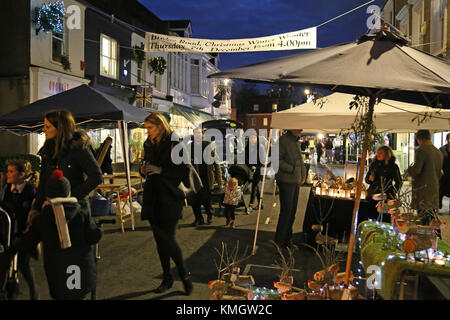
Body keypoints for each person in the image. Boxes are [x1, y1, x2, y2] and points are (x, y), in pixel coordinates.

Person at [2, 169, 102, 300]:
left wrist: (12, 247)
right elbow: (93, 236)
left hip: (58, 274)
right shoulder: (81, 213)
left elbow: (27, 241)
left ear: (48, 194)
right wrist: (98, 228)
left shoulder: (44, 218)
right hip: (81, 270)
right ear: (68, 191)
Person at [140, 112, 193, 295]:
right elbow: (147, 166)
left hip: (169, 197)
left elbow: (183, 171)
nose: (148, 132)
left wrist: (160, 169)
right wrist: (143, 169)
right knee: (159, 241)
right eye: (146, 128)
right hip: (152, 196)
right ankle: (167, 278)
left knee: (168, 238)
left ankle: (184, 276)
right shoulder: (148, 144)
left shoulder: (175, 143)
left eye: (150, 128)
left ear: (161, 126)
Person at [29, 110, 103, 223]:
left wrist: (71, 197)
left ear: (60, 128)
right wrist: (36, 208)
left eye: (47, 127)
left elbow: (96, 176)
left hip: (75, 213)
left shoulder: (78, 148)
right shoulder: (47, 151)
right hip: (51, 211)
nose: (44, 130)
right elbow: (43, 180)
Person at [1, 160, 38, 300]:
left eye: (11, 171)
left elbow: (33, 213)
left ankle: (34, 292)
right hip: (8, 233)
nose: (7, 174)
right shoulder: (7, 189)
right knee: (3, 261)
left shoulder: (30, 191)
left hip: (24, 233)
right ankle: (4, 291)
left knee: (24, 264)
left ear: (21, 175)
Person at [274, 129, 306, 250]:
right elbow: (277, 161)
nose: (301, 129)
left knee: (292, 212)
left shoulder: (296, 141)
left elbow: (300, 162)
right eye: (298, 127)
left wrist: (302, 174)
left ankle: (287, 240)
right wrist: (293, 169)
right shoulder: (283, 141)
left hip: (295, 181)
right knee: (286, 212)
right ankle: (278, 242)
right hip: (286, 181)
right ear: (291, 127)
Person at [407, 130, 443, 224]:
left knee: (424, 221)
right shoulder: (438, 151)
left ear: (419, 139)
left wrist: (410, 169)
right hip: (434, 189)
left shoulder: (421, 150)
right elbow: (439, 173)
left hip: (423, 191)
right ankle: (435, 237)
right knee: (432, 220)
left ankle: (424, 238)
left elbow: (417, 170)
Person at [189, 127, 223, 226]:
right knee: (194, 200)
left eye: (199, 133)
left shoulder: (208, 145)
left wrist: (219, 178)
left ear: (203, 134)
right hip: (194, 177)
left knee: (206, 200)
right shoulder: (190, 146)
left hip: (206, 177)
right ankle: (198, 218)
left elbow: (216, 163)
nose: (198, 135)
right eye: (196, 133)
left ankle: (209, 215)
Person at [245, 133, 266, 209]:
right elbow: (246, 158)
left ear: (257, 139)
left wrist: (256, 167)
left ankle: (251, 204)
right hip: (251, 169)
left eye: (254, 138)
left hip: (259, 169)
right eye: (251, 138)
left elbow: (263, 160)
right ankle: (261, 204)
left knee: (254, 186)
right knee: (256, 186)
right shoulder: (247, 147)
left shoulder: (260, 147)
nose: (252, 139)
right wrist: (251, 166)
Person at [439, 133, 450, 211]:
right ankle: (439, 204)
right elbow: (438, 161)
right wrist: (440, 169)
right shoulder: (442, 149)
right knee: (441, 191)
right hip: (444, 174)